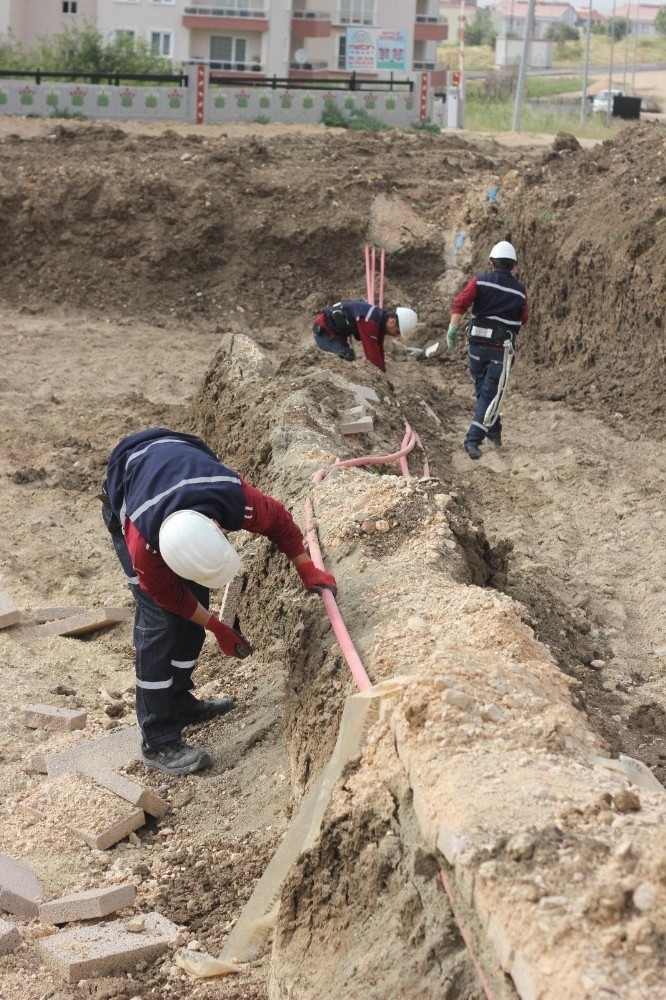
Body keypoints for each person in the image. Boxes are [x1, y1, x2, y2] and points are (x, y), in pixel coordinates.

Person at [100, 427, 337, 776]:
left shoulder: (233, 498)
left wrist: (307, 570)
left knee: (193, 601)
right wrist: (215, 626)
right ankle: (158, 739)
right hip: (127, 487)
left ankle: (178, 701)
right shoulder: (143, 544)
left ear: (217, 526)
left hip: (175, 455)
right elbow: (170, 598)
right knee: (160, 624)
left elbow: (282, 522)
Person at [446, 240, 528, 460]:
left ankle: (494, 430)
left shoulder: (480, 281)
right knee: (489, 394)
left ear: (491, 262)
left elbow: (460, 303)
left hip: (476, 347)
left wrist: (453, 328)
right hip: (501, 350)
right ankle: (473, 440)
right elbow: (524, 319)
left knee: (484, 391)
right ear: (514, 265)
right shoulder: (520, 292)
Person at [312, 300, 418, 373]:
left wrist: (382, 373)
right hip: (325, 333)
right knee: (343, 364)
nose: (396, 336)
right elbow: (371, 352)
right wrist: (379, 376)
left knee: (348, 361)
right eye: (397, 332)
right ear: (392, 321)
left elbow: (378, 349)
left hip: (337, 334)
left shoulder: (378, 320)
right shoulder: (369, 321)